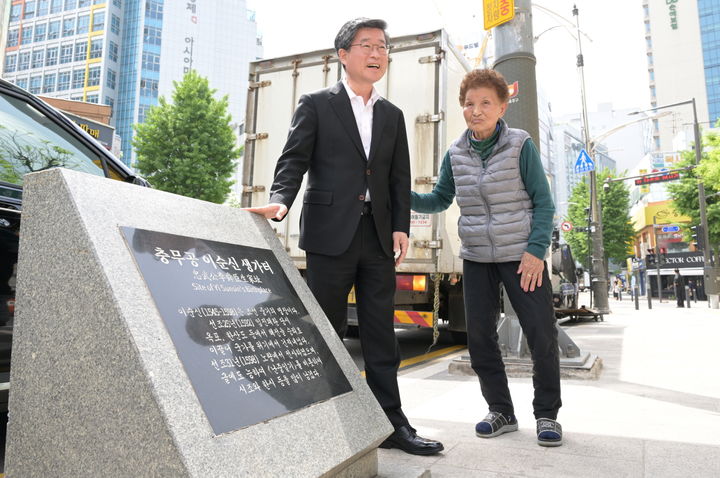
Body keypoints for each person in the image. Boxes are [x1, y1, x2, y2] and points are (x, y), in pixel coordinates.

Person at [245, 18, 443, 456]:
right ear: (343, 54)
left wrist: (400, 227)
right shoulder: (316, 103)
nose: (377, 54)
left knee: (380, 333)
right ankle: (319, 421)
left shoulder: (391, 115)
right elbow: (292, 160)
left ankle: (392, 424)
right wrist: (280, 203)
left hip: (376, 237)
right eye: (367, 45)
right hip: (329, 234)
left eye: (383, 47)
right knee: (326, 331)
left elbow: (397, 176)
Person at [411, 69, 562, 447]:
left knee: (541, 335)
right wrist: (401, 194)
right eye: (469, 104)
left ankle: (547, 414)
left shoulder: (519, 144)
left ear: (501, 106)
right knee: (479, 338)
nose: (475, 111)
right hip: (477, 256)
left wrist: (535, 251)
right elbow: (439, 200)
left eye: (485, 104)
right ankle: (501, 411)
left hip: (521, 256)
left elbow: (544, 204)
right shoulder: (456, 152)